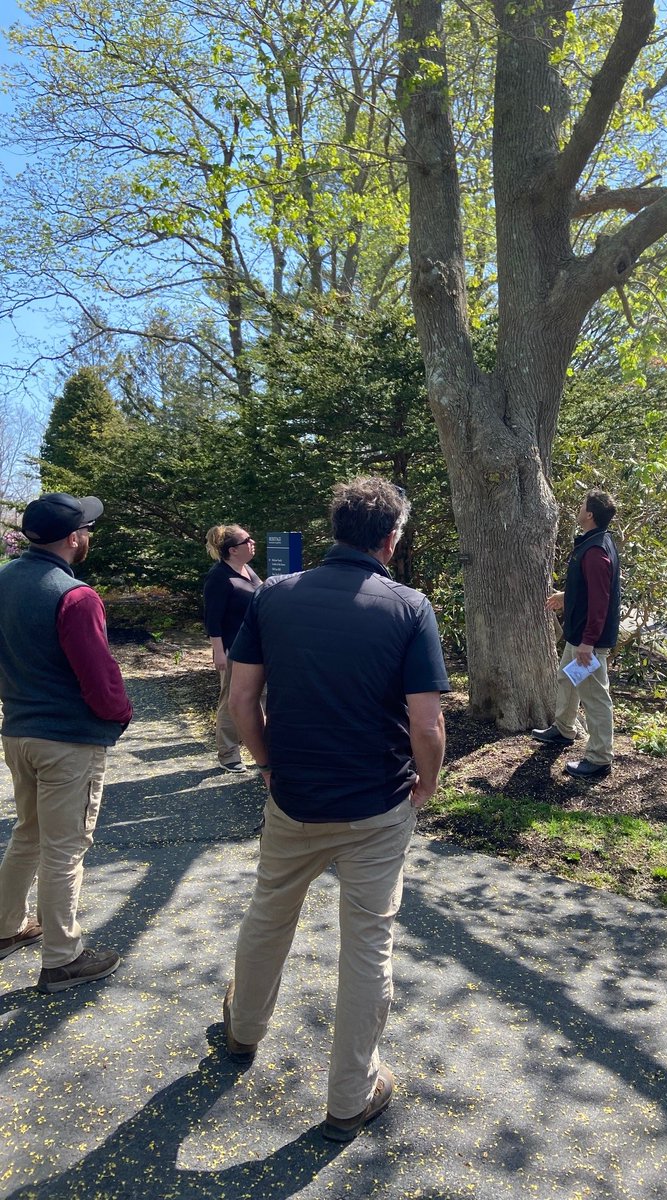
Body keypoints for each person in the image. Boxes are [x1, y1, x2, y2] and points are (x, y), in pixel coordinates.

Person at [222, 476, 449, 1141]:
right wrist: (426, 787)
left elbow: (241, 704)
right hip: (377, 803)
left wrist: (266, 763)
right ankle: (351, 1096)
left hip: (293, 796)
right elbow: (428, 726)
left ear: (335, 530)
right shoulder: (409, 607)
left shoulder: (273, 596)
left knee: (270, 914)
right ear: (390, 539)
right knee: (367, 942)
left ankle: (241, 1032)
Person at [0, 492, 132, 992]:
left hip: (19, 731)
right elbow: (99, 677)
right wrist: (119, 715)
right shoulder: (74, 595)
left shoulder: (5, 579)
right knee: (65, 848)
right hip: (67, 741)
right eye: (86, 529)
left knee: (29, 834)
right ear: (74, 538)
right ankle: (63, 957)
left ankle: (6, 928)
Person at [532, 488, 621, 779]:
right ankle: (564, 729)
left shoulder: (596, 551)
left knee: (595, 696)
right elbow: (587, 589)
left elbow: (600, 601)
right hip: (579, 634)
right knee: (567, 679)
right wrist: (565, 595)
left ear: (590, 514)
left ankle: (599, 758)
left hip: (588, 640)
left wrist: (588, 643)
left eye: (582, 504)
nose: (578, 508)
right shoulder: (594, 542)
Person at [202, 524, 262, 773]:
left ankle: (259, 748)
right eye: (246, 540)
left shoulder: (247, 569)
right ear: (232, 550)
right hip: (233, 649)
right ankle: (228, 754)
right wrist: (218, 651)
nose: (252, 542)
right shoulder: (219, 577)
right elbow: (212, 619)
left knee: (261, 698)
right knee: (230, 700)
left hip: (256, 648)